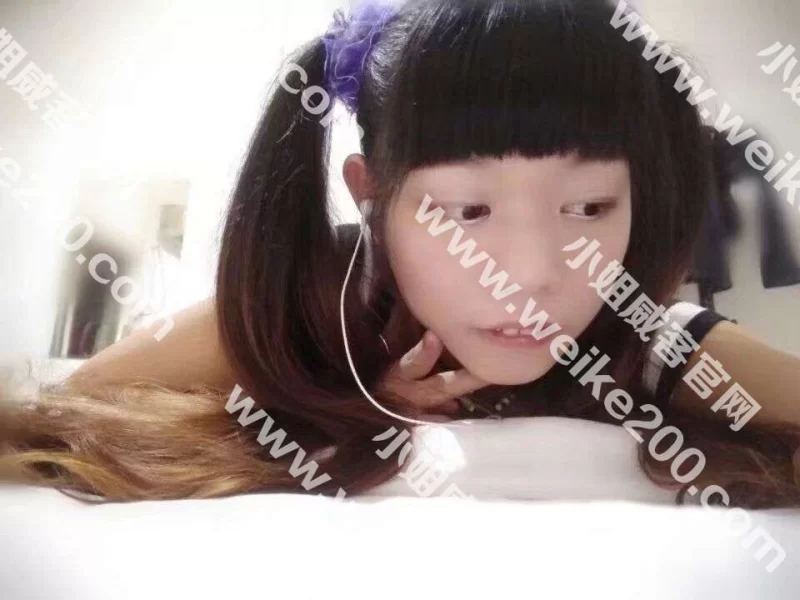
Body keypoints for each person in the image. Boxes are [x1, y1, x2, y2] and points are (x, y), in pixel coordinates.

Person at [2, 0, 800, 507]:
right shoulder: (312, 302)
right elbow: (68, 408)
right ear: (371, 196)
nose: (531, 275)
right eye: (467, 211)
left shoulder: (652, 340)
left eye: (589, 207)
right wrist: (340, 403)